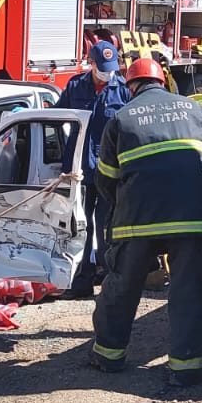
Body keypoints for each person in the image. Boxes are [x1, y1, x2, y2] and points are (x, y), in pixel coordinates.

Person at [90, 58, 202, 386]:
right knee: (189, 291)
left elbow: (105, 178)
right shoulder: (199, 112)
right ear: (163, 81)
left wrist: (122, 207)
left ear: (132, 86)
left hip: (137, 222)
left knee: (121, 288)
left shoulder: (121, 118)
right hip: (190, 220)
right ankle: (187, 367)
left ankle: (108, 356)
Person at [55, 40, 133, 296]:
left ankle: (111, 281)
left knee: (108, 226)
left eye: (111, 67)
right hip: (79, 171)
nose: (108, 72)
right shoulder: (76, 86)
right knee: (80, 227)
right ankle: (82, 280)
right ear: (91, 63)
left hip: (111, 173)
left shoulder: (122, 91)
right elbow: (57, 119)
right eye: (102, 67)